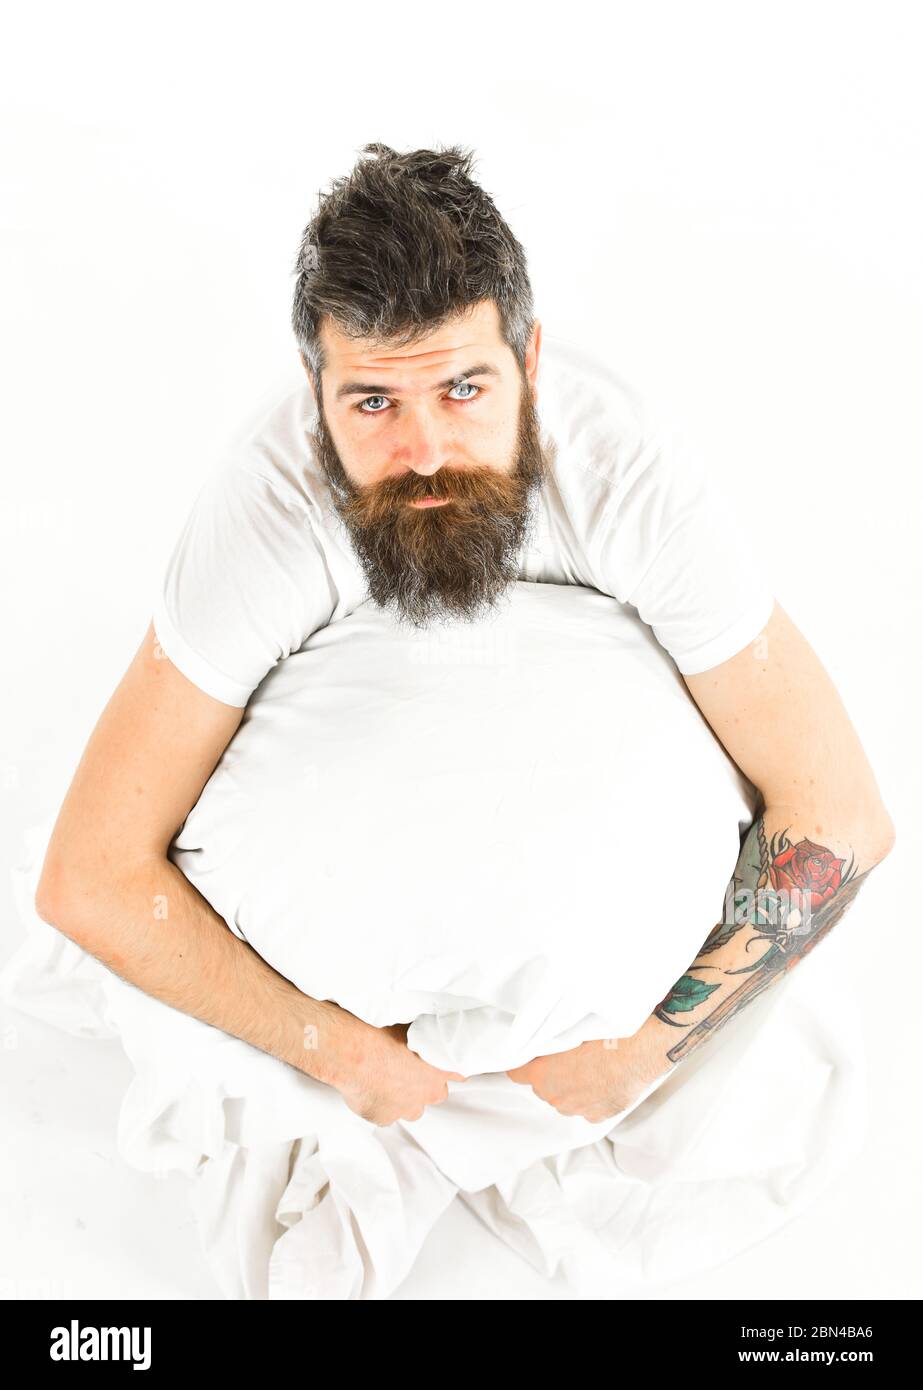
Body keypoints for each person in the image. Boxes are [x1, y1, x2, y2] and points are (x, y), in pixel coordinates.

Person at [35, 142, 895, 1129]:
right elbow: (90, 875)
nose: (424, 452)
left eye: (463, 390)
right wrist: (335, 1049)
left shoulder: (627, 480)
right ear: (312, 389)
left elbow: (837, 815)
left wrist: (639, 1058)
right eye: (371, 402)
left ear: (528, 362)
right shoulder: (265, 508)